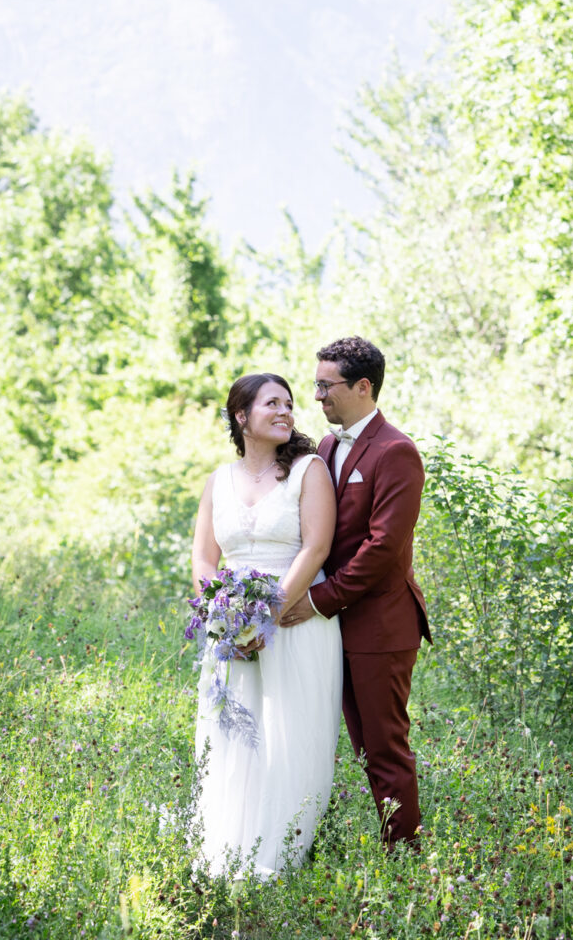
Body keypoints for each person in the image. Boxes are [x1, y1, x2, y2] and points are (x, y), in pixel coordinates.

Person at [190, 372, 343, 877]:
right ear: (242, 416)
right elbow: (204, 560)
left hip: (296, 621)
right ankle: (225, 854)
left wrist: (267, 617)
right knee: (233, 735)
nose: (285, 412)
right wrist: (225, 622)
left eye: (289, 404)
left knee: (289, 735)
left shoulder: (308, 470)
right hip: (231, 631)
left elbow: (316, 547)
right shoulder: (219, 480)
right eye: (271, 404)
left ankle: (282, 860)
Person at [281, 336, 431, 850]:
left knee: (384, 747)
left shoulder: (397, 452)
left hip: (381, 625)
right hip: (332, 627)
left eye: (327, 386)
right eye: (316, 385)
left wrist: (319, 600)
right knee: (356, 746)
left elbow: (383, 547)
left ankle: (405, 858)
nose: (317, 396)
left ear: (362, 387)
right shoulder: (326, 446)